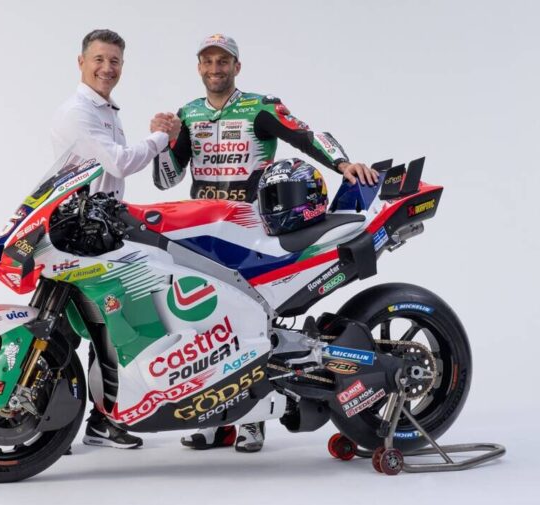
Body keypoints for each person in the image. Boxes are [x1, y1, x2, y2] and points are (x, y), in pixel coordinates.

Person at [152, 34, 378, 453]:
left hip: (251, 224)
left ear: (237, 66)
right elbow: (166, 179)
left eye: (223, 61)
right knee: (202, 317)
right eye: (208, 61)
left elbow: (305, 135)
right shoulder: (188, 113)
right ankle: (214, 417)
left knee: (251, 315)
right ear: (199, 67)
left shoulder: (259, 106)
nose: (215, 68)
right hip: (201, 227)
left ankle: (252, 419)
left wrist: (343, 163)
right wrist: (162, 143)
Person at [51, 29, 180, 449]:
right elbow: (120, 163)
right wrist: (161, 137)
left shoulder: (106, 110)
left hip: (98, 231)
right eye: (99, 59)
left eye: (115, 61)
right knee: (65, 330)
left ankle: (100, 422)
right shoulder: (78, 112)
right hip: (77, 231)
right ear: (81, 62)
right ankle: (47, 426)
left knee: (105, 326)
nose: (107, 68)